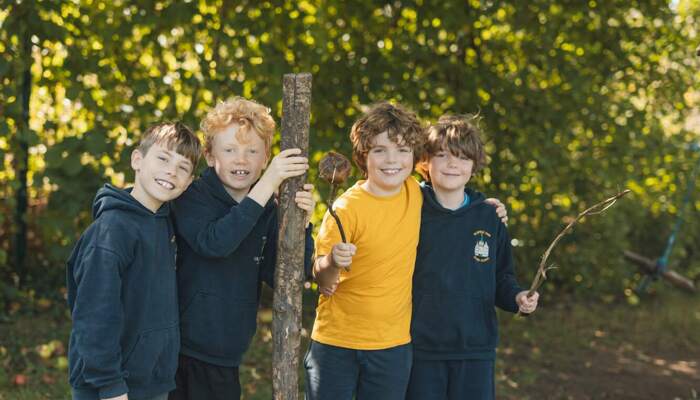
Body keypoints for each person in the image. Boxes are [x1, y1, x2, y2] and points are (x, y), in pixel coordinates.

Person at [168, 97, 315, 400]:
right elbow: (215, 243)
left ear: (265, 159)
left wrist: (301, 227)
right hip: (178, 350)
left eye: (253, 151)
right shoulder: (193, 197)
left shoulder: (266, 210)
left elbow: (287, 277)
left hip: (227, 353)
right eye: (230, 150)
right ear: (209, 155)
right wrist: (268, 184)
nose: (242, 160)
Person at [406, 114, 539, 400]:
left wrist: (517, 297)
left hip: (476, 349)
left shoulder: (489, 216)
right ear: (425, 163)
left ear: (474, 165)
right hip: (421, 349)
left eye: (462, 157)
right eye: (442, 155)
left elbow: (502, 277)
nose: (453, 164)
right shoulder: (411, 210)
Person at [67, 122, 201, 400]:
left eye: (182, 167)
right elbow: (93, 316)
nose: (171, 171)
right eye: (163, 158)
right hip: (108, 386)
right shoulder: (111, 231)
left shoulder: (164, 223)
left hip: (151, 380)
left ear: (188, 182)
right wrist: (110, 386)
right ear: (137, 160)